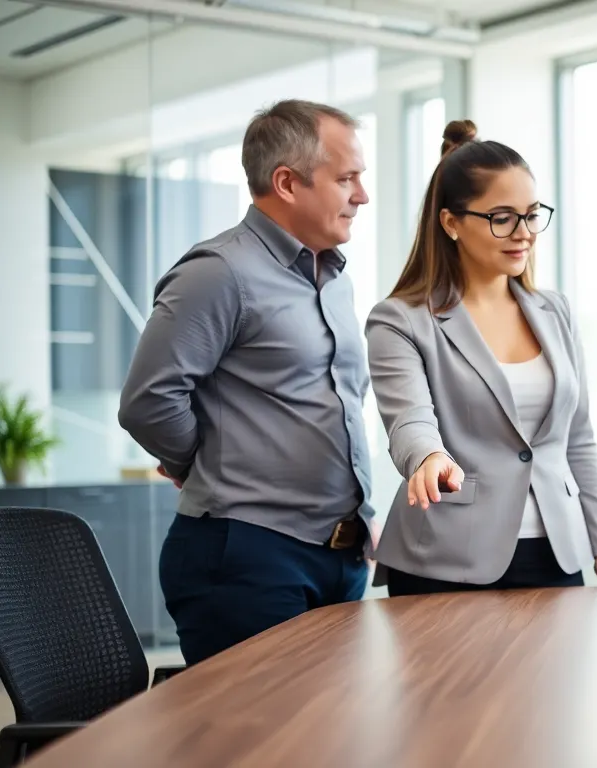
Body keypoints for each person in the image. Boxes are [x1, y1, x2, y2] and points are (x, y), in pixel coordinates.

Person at [118, 99, 375, 664]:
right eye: (347, 178)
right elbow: (148, 400)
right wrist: (201, 463)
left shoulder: (331, 276)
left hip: (340, 555)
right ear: (287, 182)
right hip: (247, 557)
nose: (362, 195)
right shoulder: (219, 272)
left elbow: (338, 404)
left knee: (328, 741)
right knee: (261, 746)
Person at [365, 119, 597, 595]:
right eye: (502, 217)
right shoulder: (401, 320)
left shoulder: (555, 312)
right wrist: (428, 456)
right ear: (451, 223)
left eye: (531, 215)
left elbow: (579, 440)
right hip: (446, 559)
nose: (523, 233)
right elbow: (409, 419)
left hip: (556, 552)